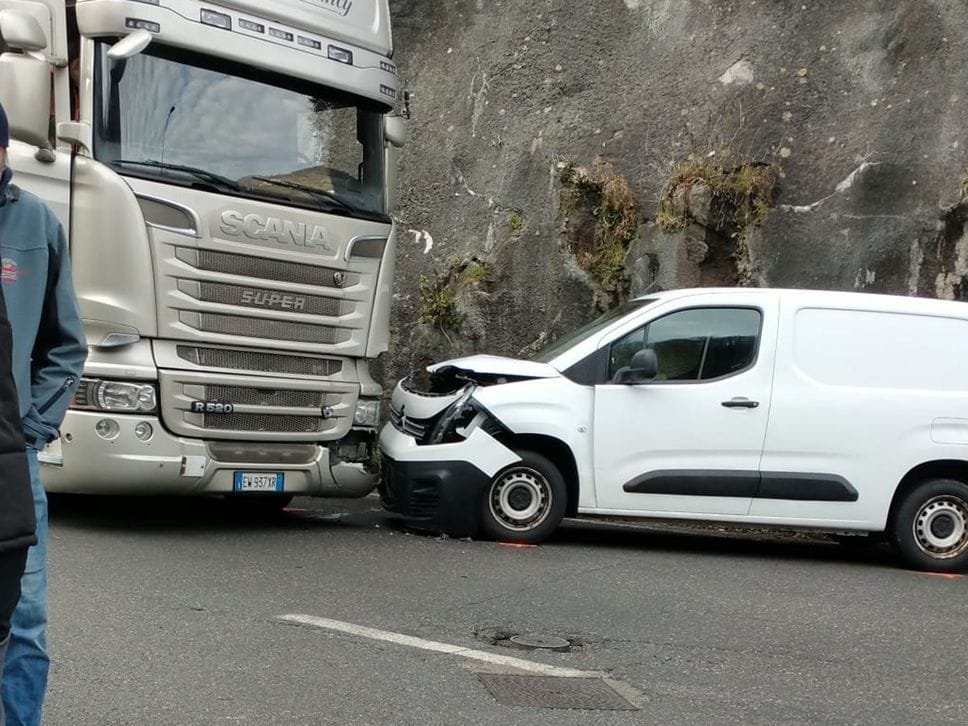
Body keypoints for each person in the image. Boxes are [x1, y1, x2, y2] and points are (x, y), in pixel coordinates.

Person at [0, 102, 87, 726]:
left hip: (10, 459)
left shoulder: (35, 222)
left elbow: (66, 343)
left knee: (24, 618)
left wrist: (29, 429)